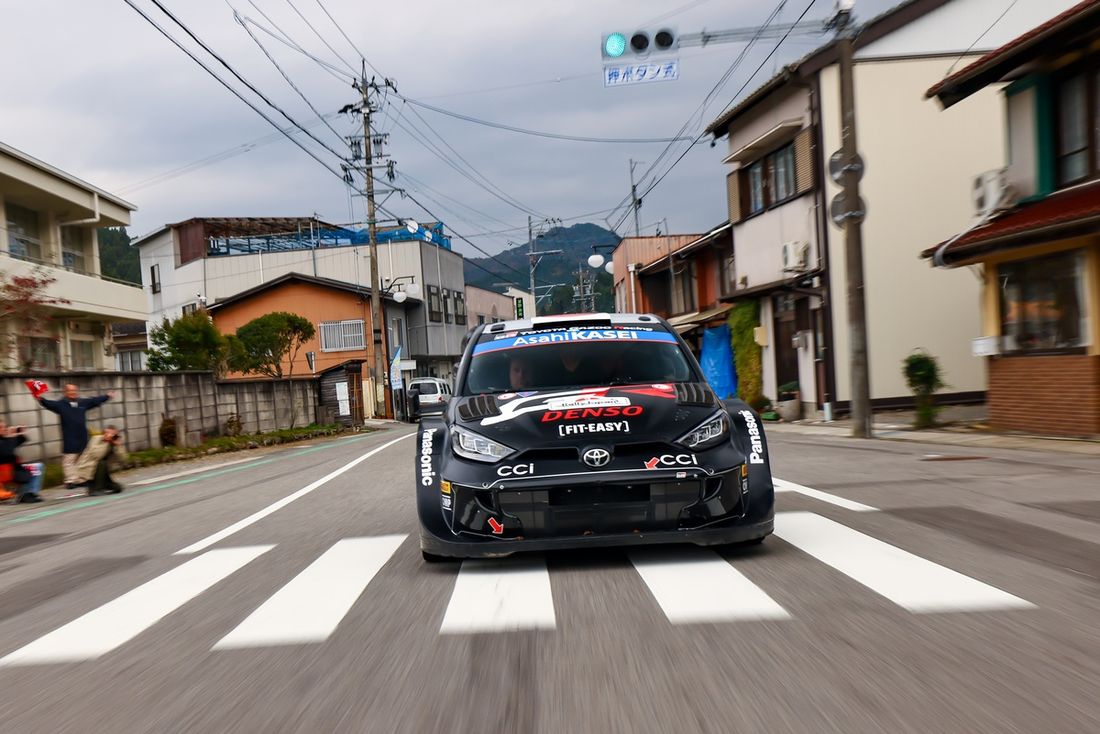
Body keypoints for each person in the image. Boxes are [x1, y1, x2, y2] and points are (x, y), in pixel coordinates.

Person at [38, 384, 114, 488]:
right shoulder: (61, 404)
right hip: (69, 436)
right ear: (65, 392)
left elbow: (94, 401)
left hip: (82, 436)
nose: (73, 392)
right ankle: (70, 481)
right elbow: (49, 404)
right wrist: (40, 399)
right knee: (69, 459)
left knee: (83, 458)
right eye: (70, 391)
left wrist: (106, 396)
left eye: (74, 390)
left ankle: (82, 479)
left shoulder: (81, 402)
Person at [74, 426, 128, 495]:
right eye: (108, 433)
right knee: (102, 463)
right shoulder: (95, 439)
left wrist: (118, 446)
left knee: (118, 488)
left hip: (103, 473)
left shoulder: (113, 444)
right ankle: (95, 489)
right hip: (89, 470)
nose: (110, 436)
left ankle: (98, 486)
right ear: (105, 433)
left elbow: (124, 459)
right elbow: (97, 455)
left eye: (113, 434)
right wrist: (107, 443)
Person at [0, 421, 44, 503]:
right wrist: (12, 436)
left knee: (39, 466)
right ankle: (26, 495)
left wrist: (20, 433)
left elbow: (19, 441)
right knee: (34, 469)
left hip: (13, 469)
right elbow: (7, 451)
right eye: (1, 427)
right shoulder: (3, 441)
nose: (4, 429)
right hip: (7, 472)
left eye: (5, 427)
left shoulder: (4, 439)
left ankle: (31, 493)